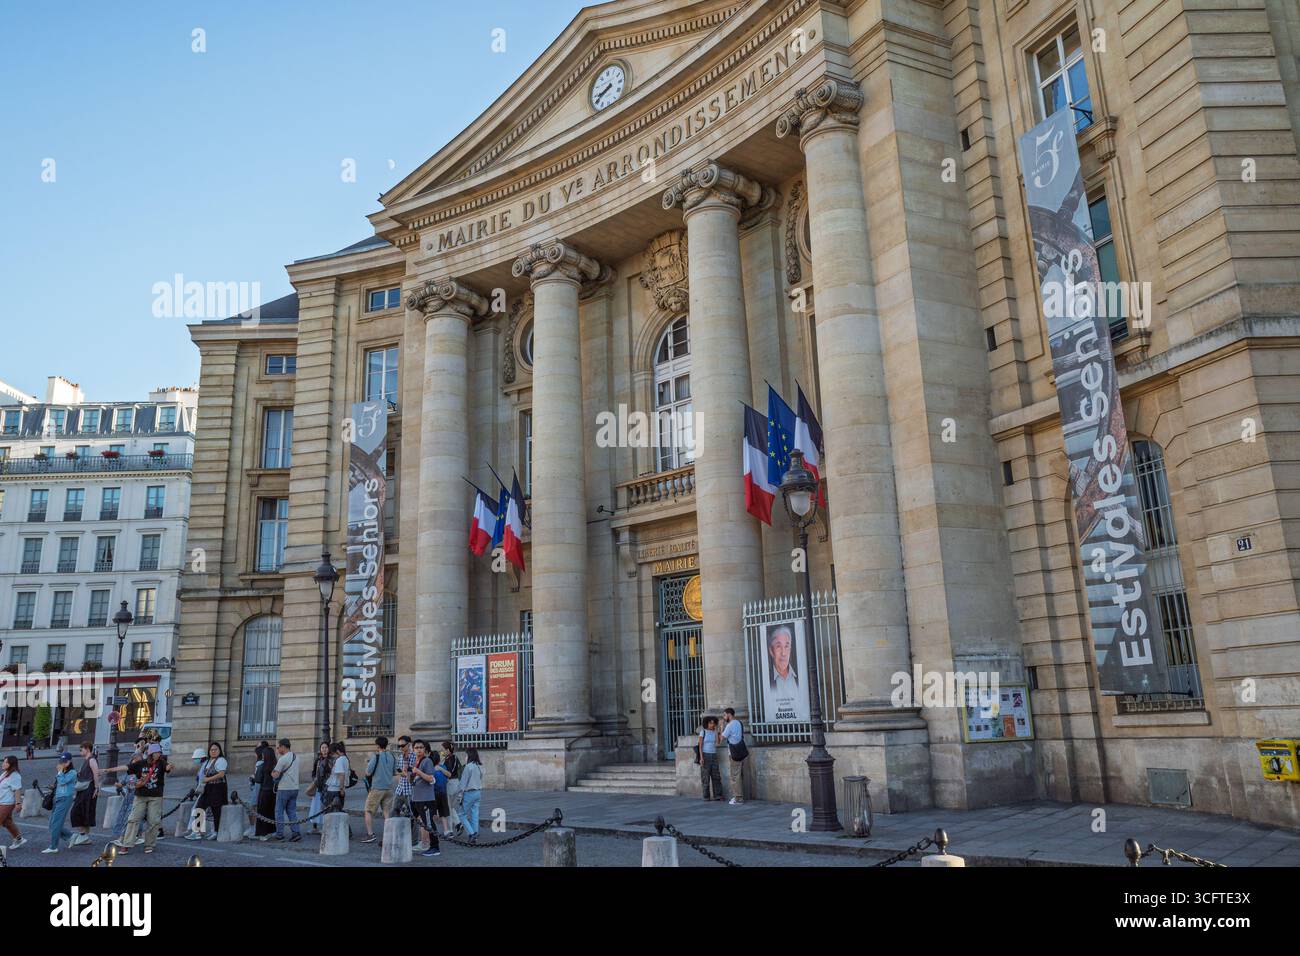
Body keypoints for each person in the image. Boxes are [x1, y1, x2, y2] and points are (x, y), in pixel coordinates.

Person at [114, 743, 173, 854]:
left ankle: (149, 844)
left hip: (155, 796)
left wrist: (169, 767)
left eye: (160, 753)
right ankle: (126, 844)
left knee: (154, 821)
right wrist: (109, 770)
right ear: (151, 753)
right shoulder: (141, 763)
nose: (159, 754)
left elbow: (167, 767)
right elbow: (127, 767)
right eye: (157, 752)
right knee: (133, 819)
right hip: (140, 795)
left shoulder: (161, 762)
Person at [188, 742, 228, 841]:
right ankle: (196, 831)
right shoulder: (209, 761)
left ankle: (216, 832)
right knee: (199, 807)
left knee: (216, 810)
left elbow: (221, 774)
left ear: (219, 750)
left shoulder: (221, 760)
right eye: (211, 750)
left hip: (217, 788)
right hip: (208, 788)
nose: (213, 751)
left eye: (215, 749)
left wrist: (207, 779)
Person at [408, 740, 441, 858]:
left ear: (425, 749)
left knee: (430, 823)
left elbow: (430, 779)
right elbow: (412, 780)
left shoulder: (427, 761)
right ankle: (420, 842)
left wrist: (418, 772)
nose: (419, 749)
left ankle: (434, 847)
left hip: (426, 798)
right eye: (416, 747)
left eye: (421, 747)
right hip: (417, 798)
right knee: (414, 820)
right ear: (413, 749)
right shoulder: (416, 762)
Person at [361, 736, 395, 844]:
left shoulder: (376, 756)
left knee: (368, 810)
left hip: (377, 787)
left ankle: (370, 834)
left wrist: (369, 763)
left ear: (378, 746)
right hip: (389, 787)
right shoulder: (392, 756)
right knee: (386, 812)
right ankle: (389, 834)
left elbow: (368, 772)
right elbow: (394, 772)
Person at [43, 752, 78, 853]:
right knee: (51, 824)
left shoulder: (72, 772)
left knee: (56, 823)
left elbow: (63, 781)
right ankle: (71, 836)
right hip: (57, 798)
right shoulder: (63, 771)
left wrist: (59, 772)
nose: (62, 763)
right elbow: (60, 784)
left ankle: (53, 847)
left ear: (69, 762)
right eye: (61, 761)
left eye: (65, 761)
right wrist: (53, 787)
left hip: (65, 799)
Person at [68, 742, 100, 847]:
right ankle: (85, 836)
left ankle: (83, 835)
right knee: (84, 811)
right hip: (84, 789)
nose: (80, 751)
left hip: (88, 788)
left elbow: (96, 773)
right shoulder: (87, 760)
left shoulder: (91, 760)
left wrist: (96, 787)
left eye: (81, 749)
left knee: (78, 811)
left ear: (87, 749)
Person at [270, 738, 302, 842]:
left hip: (284, 788)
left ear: (283, 747)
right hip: (295, 788)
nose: (278, 749)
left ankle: (279, 834)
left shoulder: (282, 759)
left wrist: (271, 773)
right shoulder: (296, 757)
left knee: (279, 811)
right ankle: (295, 832)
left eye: (278, 747)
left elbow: (275, 775)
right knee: (292, 811)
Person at [720, 708, 748, 804]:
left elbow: (721, 738)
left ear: (729, 714)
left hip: (734, 753)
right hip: (741, 751)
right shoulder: (739, 723)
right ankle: (739, 796)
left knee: (734, 776)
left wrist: (721, 727)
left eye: (724, 715)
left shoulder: (729, 725)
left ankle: (738, 798)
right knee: (739, 775)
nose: (724, 717)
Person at [0, 755, 26, 850]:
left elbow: (17, 790)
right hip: (2, 801)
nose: (3, 763)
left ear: (11, 764)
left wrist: (18, 804)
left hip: (6, 803)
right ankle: (19, 838)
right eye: (4, 761)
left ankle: (18, 838)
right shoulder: (5, 773)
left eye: (6, 762)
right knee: (7, 822)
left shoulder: (15, 776)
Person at [253, 741, 278, 840]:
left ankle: (262, 833)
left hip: (264, 791)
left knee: (262, 813)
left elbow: (258, 780)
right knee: (270, 812)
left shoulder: (262, 766)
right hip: (273, 792)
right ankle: (272, 831)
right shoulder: (275, 766)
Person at [459, 748, 483, 843]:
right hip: (478, 792)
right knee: (474, 814)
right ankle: (475, 832)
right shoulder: (479, 766)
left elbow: (463, 783)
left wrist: (459, 794)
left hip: (469, 793)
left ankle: (471, 833)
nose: (465, 757)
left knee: (461, 814)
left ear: (469, 755)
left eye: (466, 755)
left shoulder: (468, 767)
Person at [306, 741, 331, 831]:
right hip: (317, 786)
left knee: (324, 806)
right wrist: (315, 780)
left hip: (326, 787)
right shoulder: (318, 760)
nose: (324, 749)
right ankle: (314, 827)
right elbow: (313, 772)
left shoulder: (330, 760)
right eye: (322, 748)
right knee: (315, 807)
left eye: (326, 747)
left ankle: (325, 827)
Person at [698, 716, 723, 801]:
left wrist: (717, 731)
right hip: (705, 755)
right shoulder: (703, 732)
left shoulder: (714, 732)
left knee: (716, 776)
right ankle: (706, 796)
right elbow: (700, 746)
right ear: (706, 723)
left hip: (714, 755)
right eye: (710, 723)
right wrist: (701, 758)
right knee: (705, 777)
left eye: (713, 723)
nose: (712, 724)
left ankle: (718, 795)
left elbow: (718, 743)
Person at [439, 741, 461, 836]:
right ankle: (458, 824)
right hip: (455, 783)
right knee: (450, 807)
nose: (442, 751)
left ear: (448, 749)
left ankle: (450, 831)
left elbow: (449, 772)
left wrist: (440, 768)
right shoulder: (449, 758)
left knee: (447, 808)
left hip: (451, 783)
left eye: (443, 749)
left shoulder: (451, 758)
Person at [392, 736, 416, 818]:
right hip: (400, 789)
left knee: (412, 814)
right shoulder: (400, 756)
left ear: (409, 744)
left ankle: (412, 830)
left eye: (403, 745)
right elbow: (398, 769)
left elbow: (414, 773)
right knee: (394, 811)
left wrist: (406, 773)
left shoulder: (414, 756)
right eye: (399, 746)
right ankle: (397, 830)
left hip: (410, 790)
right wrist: (400, 773)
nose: (401, 748)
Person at [326, 741, 349, 812]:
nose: (332, 756)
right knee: (338, 811)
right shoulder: (345, 759)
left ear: (337, 751)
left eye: (332, 754)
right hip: (339, 790)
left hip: (334, 789)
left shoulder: (339, 760)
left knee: (332, 812)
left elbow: (341, 775)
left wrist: (341, 788)